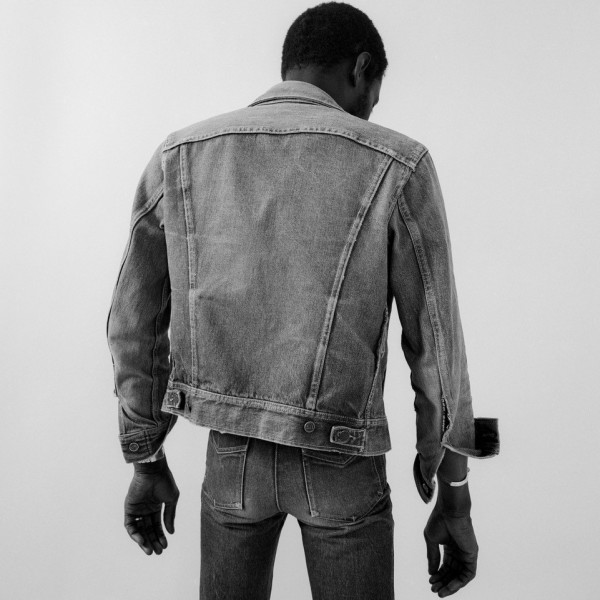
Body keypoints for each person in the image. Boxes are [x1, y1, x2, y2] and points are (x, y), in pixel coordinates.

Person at [106, 2, 500, 598]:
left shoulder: (181, 155)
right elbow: (436, 344)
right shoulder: (399, 162)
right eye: (375, 91)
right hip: (343, 461)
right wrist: (453, 490)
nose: (371, 109)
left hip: (232, 460)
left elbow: (132, 323)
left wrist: (145, 456)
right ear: (361, 68)